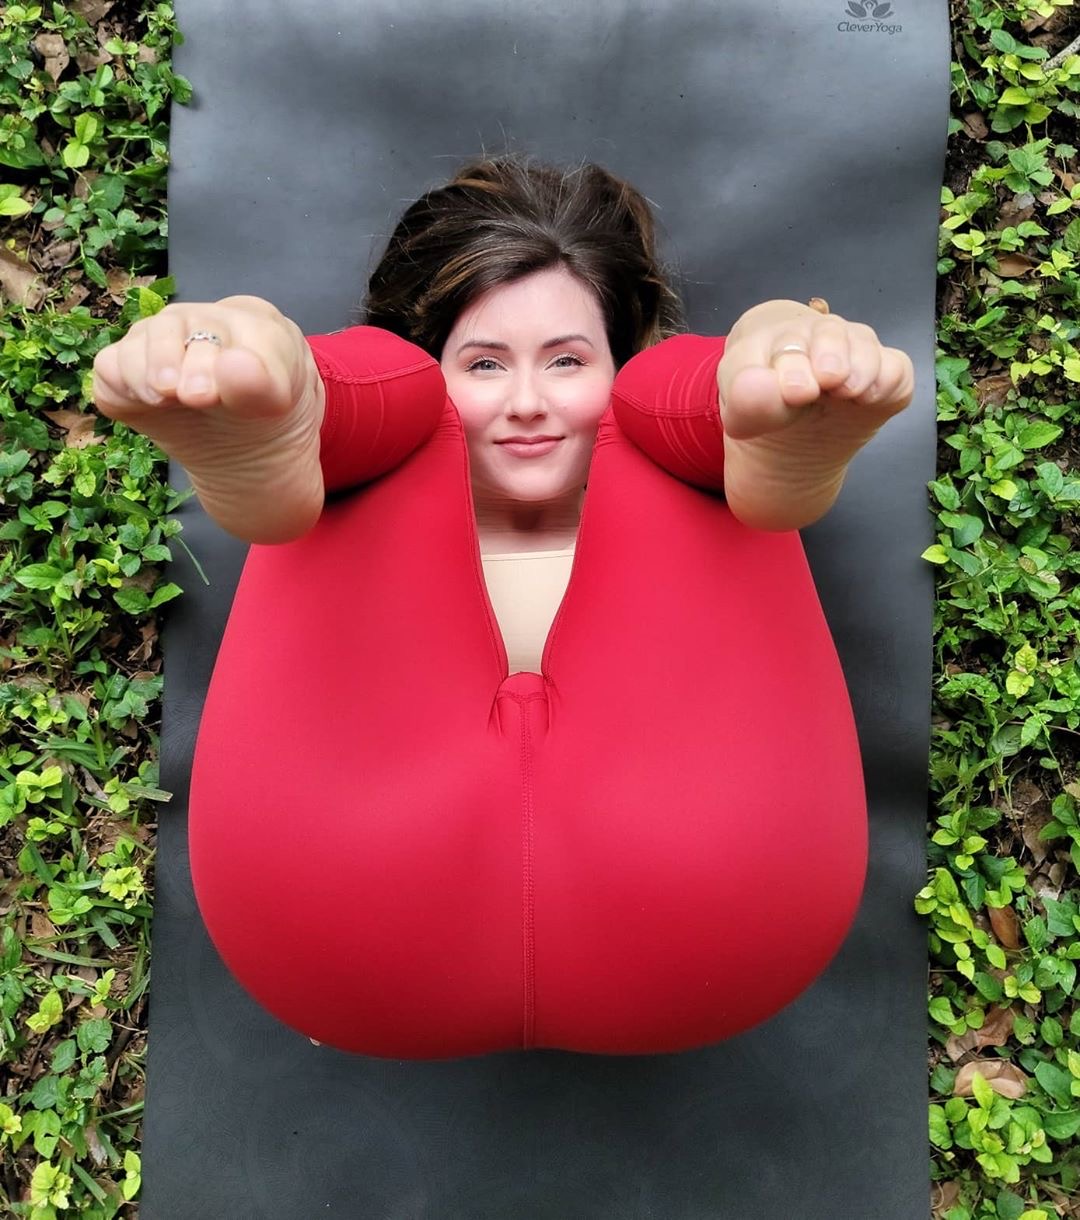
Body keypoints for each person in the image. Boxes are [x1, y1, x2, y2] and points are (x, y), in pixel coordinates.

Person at [93, 156, 914, 1058]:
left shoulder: (656, 442)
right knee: (400, 403)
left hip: (700, 899)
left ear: (612, 352)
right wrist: (235, 358)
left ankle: (770, 391)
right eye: (483, 363)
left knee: (664, 403)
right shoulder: (392, 452)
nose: (528, 403)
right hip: (353, 896)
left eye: (568, 360)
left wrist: (785, 346)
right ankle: (278, 387)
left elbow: (613, 386)